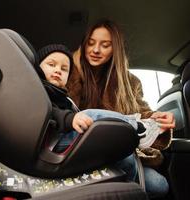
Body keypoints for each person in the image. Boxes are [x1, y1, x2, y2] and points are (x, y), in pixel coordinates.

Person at [66, 19, 175, 198]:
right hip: (83, 152)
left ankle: (139, 130)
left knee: (159, 184)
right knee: (97, 121)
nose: (95, 50)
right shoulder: (69, 71)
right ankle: (137, 129)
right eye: (90, 43)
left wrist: (158, 119)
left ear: (115, 49)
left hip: (119, 154)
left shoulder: (130, 82)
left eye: (105, 45)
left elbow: (143, 112)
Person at [36, 44, 161, 163]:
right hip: (52, 144)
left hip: (65, 140)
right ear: (37, 68)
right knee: (89, 114)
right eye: (51, 64)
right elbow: (50, 111)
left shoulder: (63, 97)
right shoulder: (38, 90)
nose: (58, 70)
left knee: (127, 160)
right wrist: (71, 118)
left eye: (64, 69)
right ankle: (138, 128)